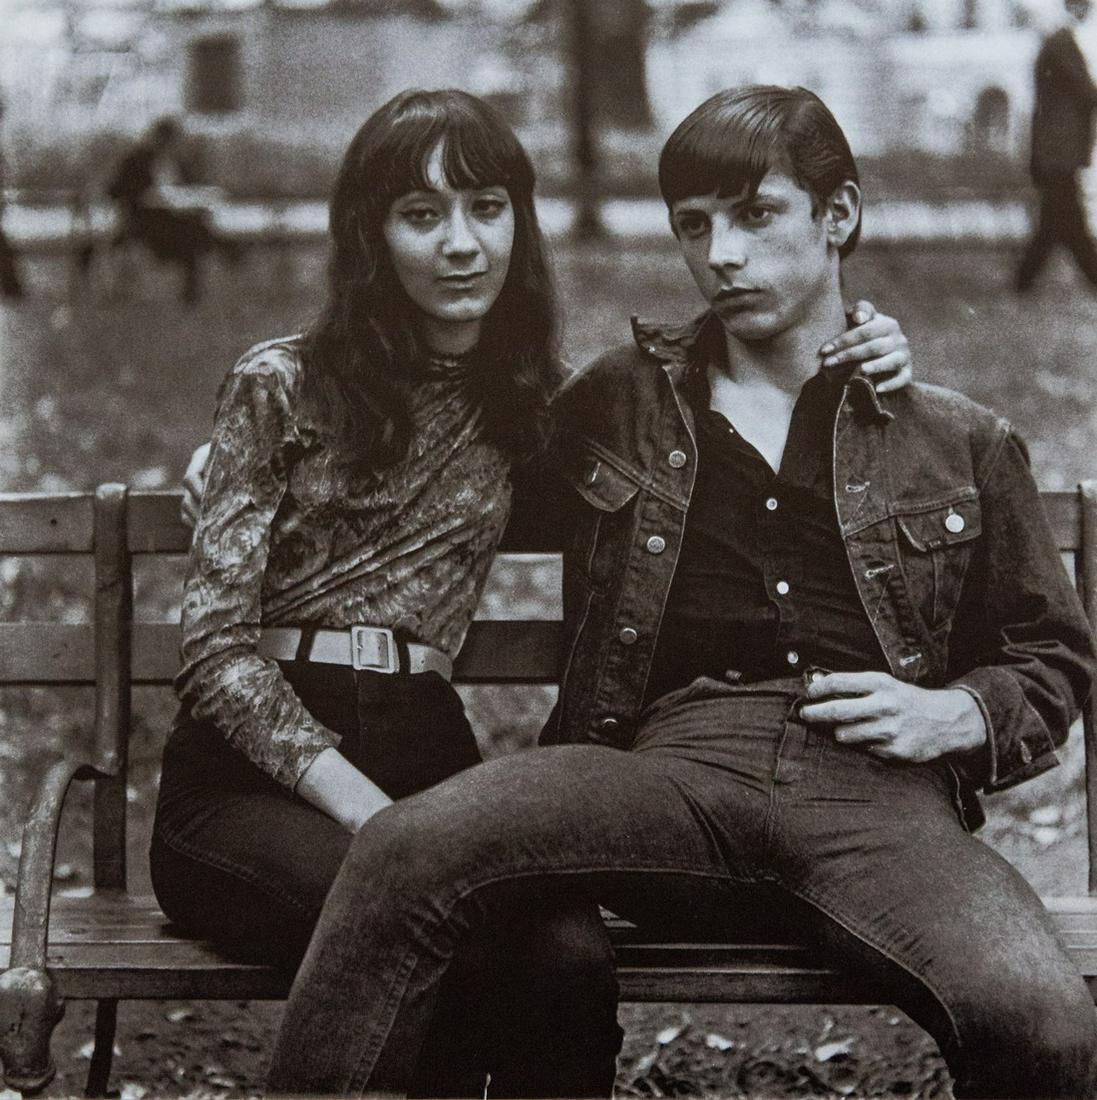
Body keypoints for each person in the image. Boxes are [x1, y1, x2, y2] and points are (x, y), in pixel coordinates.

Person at [238, 86, 1095, 1099]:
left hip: (877, 797)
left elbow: (1052, 658)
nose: (720, 255)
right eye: (693, 226)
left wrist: (952, 710)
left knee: (1039, 1022)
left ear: (839, 217)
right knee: (403, 846)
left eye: (754, 216)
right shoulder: (617, 401)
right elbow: (442, 450)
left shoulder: (957, 438)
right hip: (663, 770)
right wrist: (280, 433)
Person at [103, 117, 238, 303]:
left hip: (176, 220)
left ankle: (198, 283)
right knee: (194, 234)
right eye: (168, 141)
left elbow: (189, 189)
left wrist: (198, 194)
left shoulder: (178, 162)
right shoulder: (136, 161)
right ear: (158, 139)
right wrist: (144, 196)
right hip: (147, 222)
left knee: (193, 230)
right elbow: (114, 190)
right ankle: (224, 249)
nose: (171, 146)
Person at [1016, 0, 1097, 292]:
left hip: (1053, 152)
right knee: (1069, 222)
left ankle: (1023, 281)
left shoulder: (1057, 40)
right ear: (1077, 8)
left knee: (1054, 223)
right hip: (1058, 152)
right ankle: (1092, 277)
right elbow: (1085, 91)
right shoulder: (1062, 42)